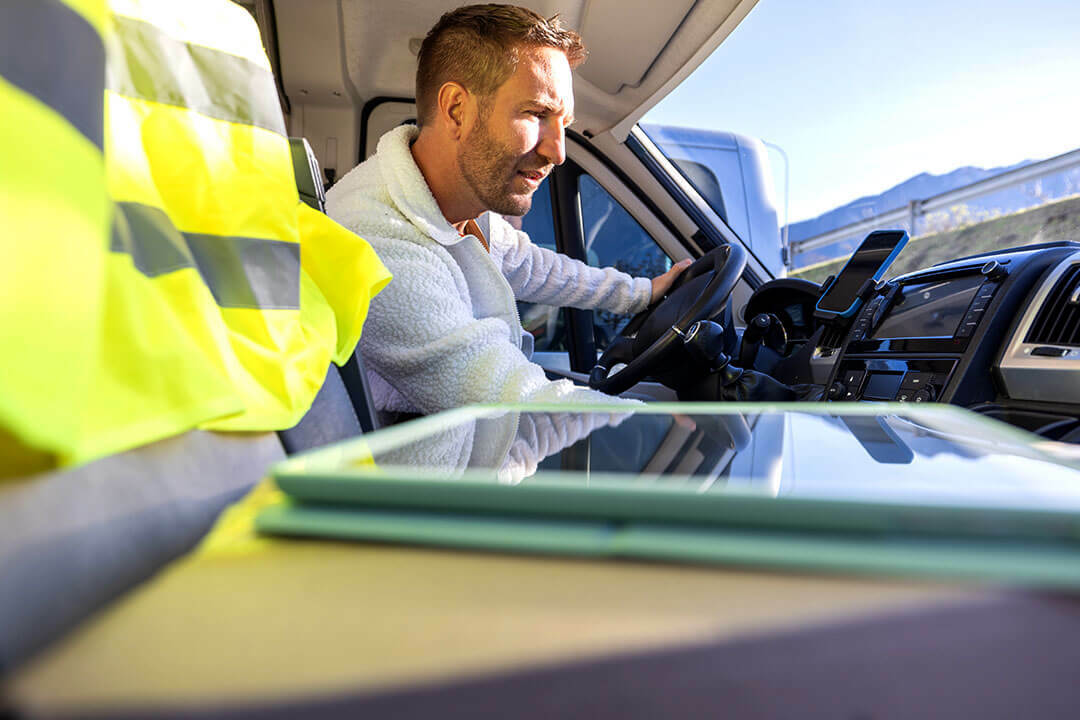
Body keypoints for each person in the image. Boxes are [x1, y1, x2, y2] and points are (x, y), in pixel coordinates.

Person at [327, 4, 690, 417]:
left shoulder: (461, 205)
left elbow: (534, 267)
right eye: (537, 114)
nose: (559, 151)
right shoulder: (378, 238)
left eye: (563, 124)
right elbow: (511, 401)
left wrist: (641, 293)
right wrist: (651, 424)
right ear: (456, 110)